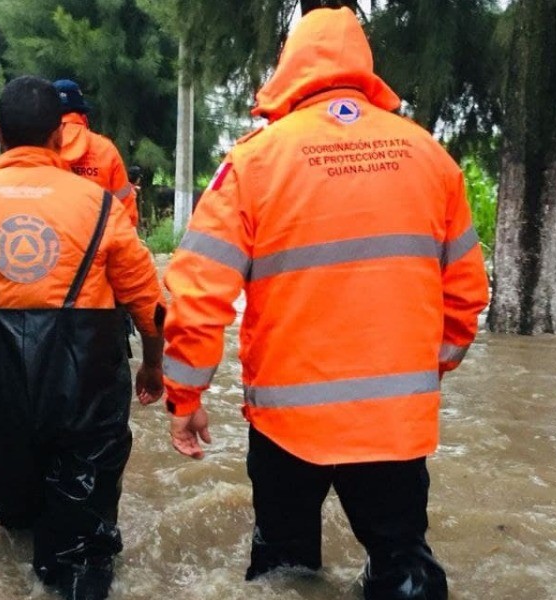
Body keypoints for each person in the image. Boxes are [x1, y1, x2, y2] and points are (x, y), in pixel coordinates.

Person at [160, 7, 489, 600]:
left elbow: (198, 293)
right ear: (364, 65)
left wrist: (186, 397)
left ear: (291, 65)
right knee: (403, 564)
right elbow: (466, 293)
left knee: (284, 571)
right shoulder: (430, 157)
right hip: (394, 421)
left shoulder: (254, 161)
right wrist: (424, 370)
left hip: (288, 423)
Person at [0, 77, 165, 600]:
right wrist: (152, 364)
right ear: (58, 135)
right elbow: (147, 300)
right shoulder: (101, 205)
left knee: (17, 510)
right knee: (82, 526)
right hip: (86, 379)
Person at [53, 79, 140, 228]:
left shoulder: (41, 146)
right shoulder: (105, 149)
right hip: (99, 239)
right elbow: (126, 210)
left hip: (50, 238)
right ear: (83, 115)